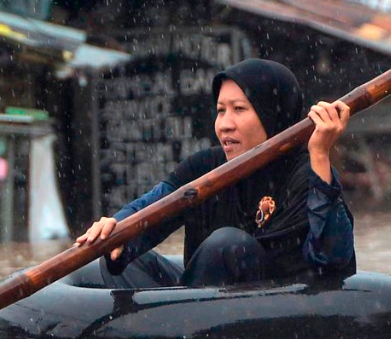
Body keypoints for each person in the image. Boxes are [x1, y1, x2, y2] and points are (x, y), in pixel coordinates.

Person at [76, 59, 355, 287]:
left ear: (272, 113)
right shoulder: (205, 166)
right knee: (125, 252)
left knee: (228, 245)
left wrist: (320, 154)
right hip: (198, 299)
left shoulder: (305, 170)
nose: (225, 125)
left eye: (239, 109)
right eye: (221, 111)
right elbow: (153, 206)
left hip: (272, 305)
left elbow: (331, 260)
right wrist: (118, 226)